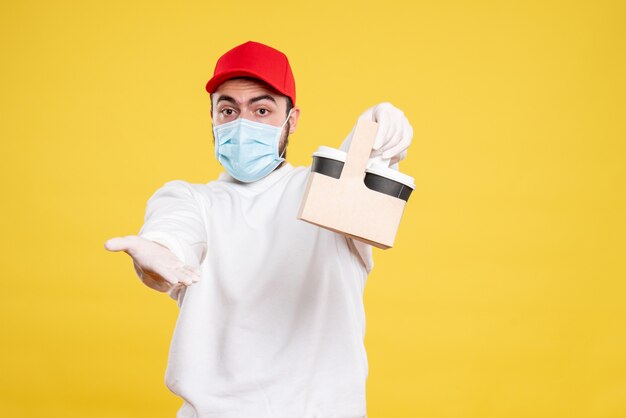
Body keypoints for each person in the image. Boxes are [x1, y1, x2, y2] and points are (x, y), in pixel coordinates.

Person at [105, 41, 413, 418]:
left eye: (262, 110)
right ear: (213, 118)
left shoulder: (321, 193)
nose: (242, 123)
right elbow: (174, 232)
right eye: (228, 110)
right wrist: (158, 253)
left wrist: (375, 133)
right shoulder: (189, 198)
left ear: (292, 119)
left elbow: (351, 190)